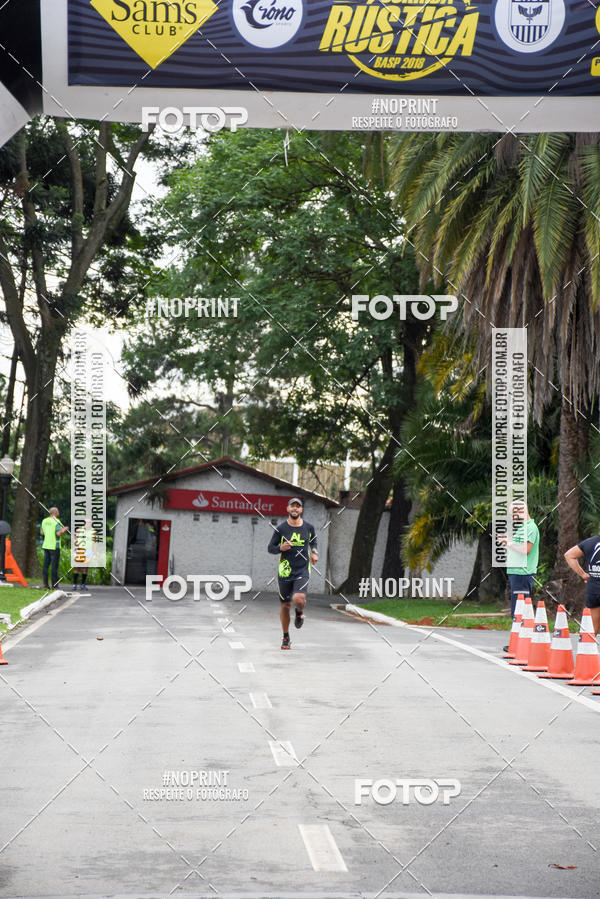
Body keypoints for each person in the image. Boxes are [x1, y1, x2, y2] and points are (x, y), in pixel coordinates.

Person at [267, 498, 318, 650]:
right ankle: (286, 636)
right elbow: (271, 548)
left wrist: (314, 553)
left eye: (298, 506)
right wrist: (280, 548)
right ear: (287, 509)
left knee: (299, 598)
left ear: (301, 510)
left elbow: (314, 542)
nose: (295, 509)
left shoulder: (309, 527)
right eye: (292, 506)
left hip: (302, 569)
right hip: (285, 570)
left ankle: (299, 612)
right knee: (285, 606)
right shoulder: (281, 529)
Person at [497, 500, 540, 652]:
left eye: (513, 513)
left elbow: (526, 549)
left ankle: (522, 645)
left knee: (520, 610)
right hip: (516, 573)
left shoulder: (530, 528)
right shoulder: (523, 528)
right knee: (518, 609)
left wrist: (508, 543)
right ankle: (518, 643)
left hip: (523, 573)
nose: (512, 517)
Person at [564, 533, 600, 635]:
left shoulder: (590, 542)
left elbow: (569, 555)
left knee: (592, 629)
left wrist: (583, 574)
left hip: (593, 589)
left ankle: (586, 650)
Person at [40, 507, 69, 589]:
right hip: (54, 546)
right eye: (58, 511)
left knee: (45, 565)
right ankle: (54, 585)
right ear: (56, 512)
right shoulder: (57, 521)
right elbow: (58, 533)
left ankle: (45, 585)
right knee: (54, 566)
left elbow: (42, 533)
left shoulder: (44, 521)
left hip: (46, 545)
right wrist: (64, 529)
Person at [72, 518, 95, 593]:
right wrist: (75, 546)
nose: (89, 524)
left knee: (85, 568)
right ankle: (74, 584)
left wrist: (94, 553)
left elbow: (94, 542)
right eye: (87, 523)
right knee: (77, 567)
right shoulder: (79, 530)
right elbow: (75, 539)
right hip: (80, 550)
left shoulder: (93, 531)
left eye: (90, 523)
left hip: (88, 550)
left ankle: (82, 584)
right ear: (84, 523)